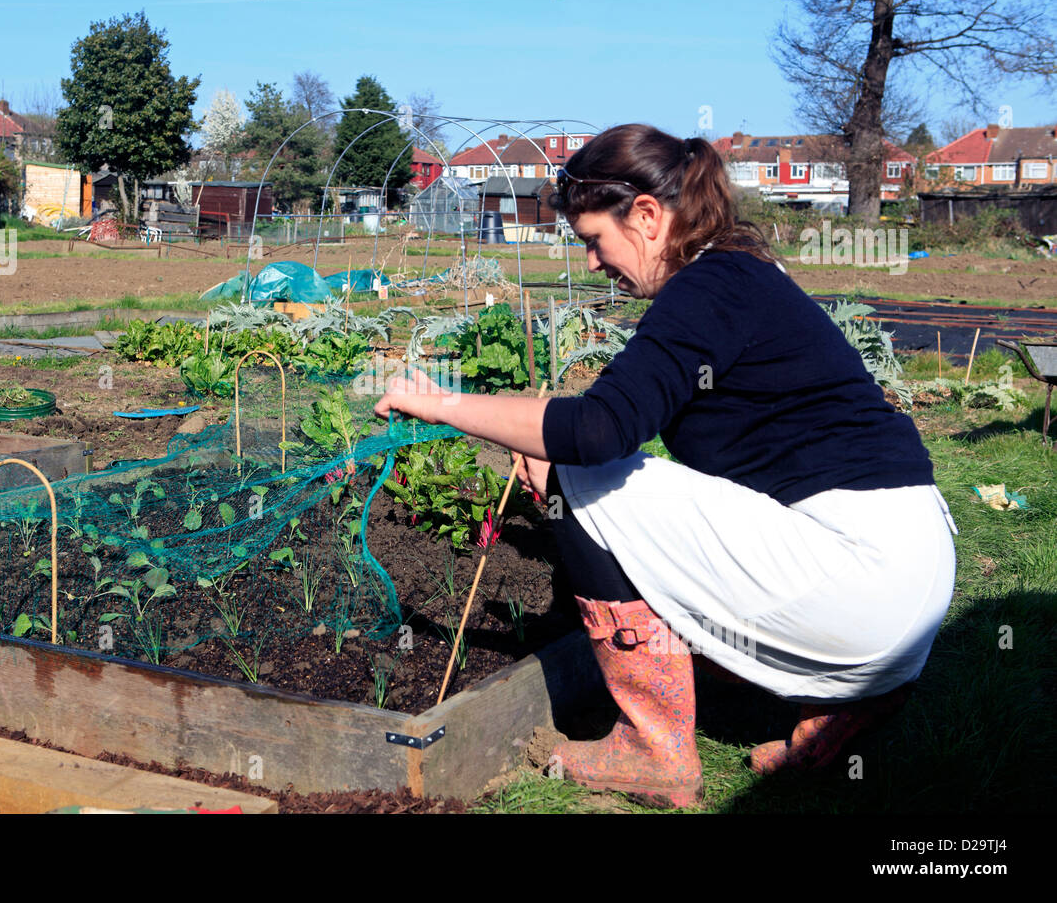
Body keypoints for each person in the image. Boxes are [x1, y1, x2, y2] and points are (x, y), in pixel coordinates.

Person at [374, 124, 957, 809]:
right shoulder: (743, 272)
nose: (593, 262)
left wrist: (441, 404)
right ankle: (844, 707)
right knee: (607, 476)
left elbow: (597, 430)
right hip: (909, 582)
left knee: (584, 478)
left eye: (595, 239)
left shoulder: (707, 288)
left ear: (648, 216)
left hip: (860, 583)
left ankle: (654, 752)